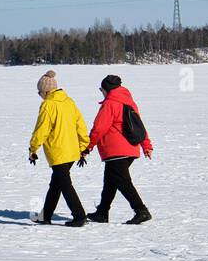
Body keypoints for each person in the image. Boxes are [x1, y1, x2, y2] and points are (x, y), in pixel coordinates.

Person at [85, 74, 153, 225]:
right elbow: (139, 126)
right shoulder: (130, 103)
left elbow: (99, 128)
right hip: (131, 149)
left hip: (115, 150)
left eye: (101, 89)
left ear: (106, 89)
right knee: (110, 181)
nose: (101, 92)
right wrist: (146, 146)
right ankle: (102, 212)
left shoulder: (110, 104)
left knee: (123, 182)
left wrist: (88, 146)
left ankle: (141, 210)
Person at [27, 70, 91, 227]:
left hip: (58, 152)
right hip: (72, 151)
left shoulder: (48, 105)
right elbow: (80, 126)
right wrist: (83, 147)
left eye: (40, 92)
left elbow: (42, 129)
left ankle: (79, 216)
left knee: (64, 184)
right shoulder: (69, 102)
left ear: (46, 91)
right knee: (56, 184)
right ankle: (46, 216)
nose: (39, 95)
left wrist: (33, 148)